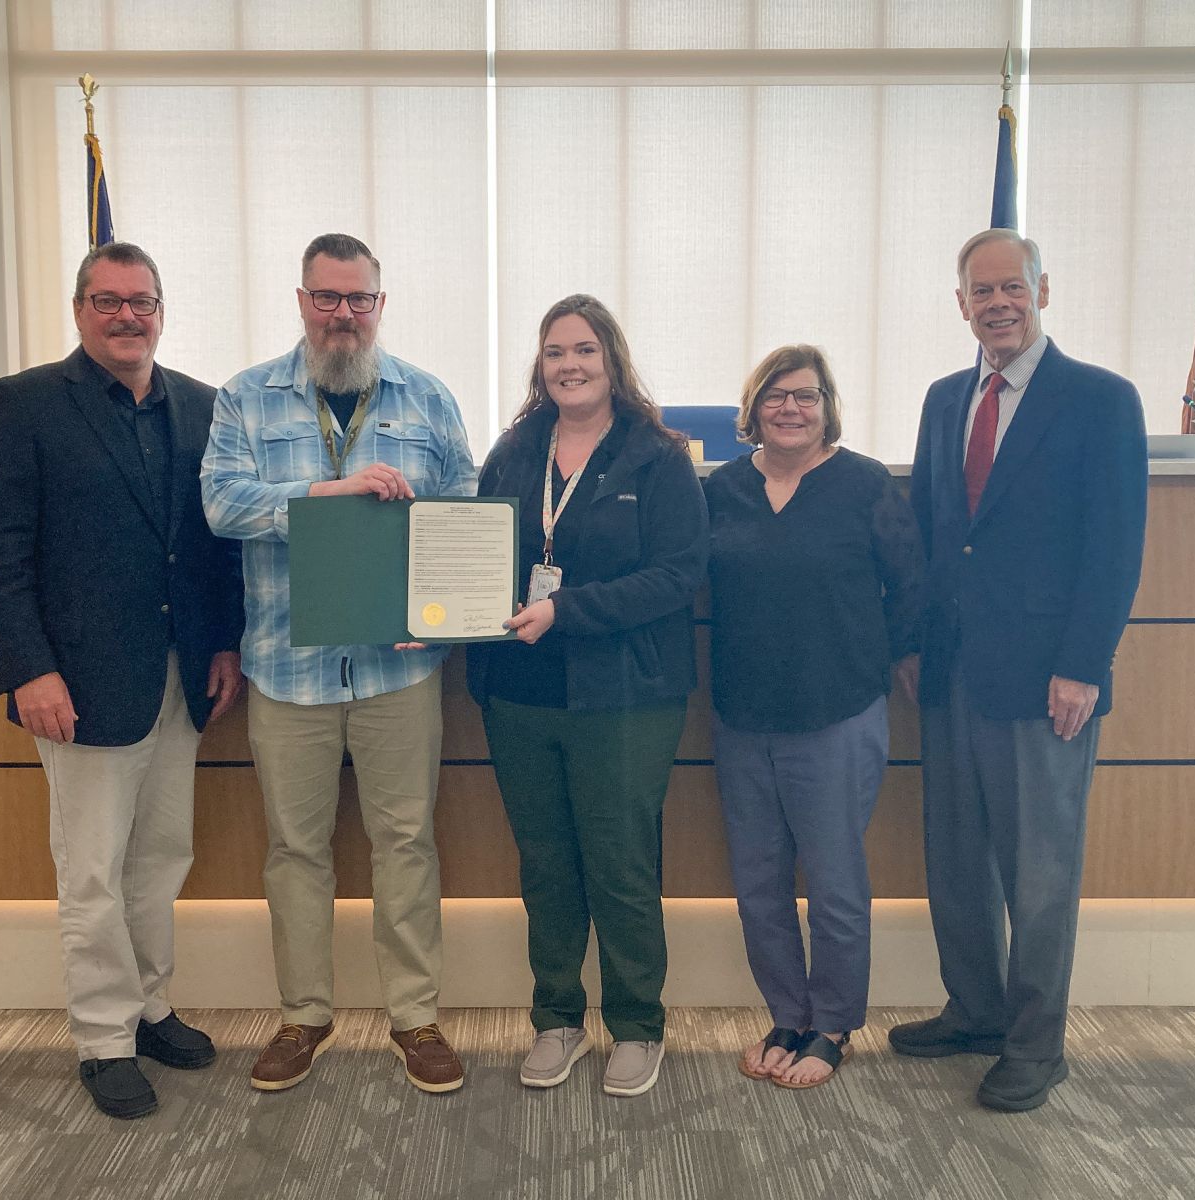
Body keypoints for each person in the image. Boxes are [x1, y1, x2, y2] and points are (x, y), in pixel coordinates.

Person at [0, 241, 245, 1120]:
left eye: (143, 301)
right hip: (76, 682)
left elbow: (210, 546)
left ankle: (150, 1005)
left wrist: (224, 642)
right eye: (108, 300)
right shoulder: (25, 405)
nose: (128, 316)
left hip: (181, 674)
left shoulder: (200, 405)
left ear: (162, 310)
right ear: (80, 309)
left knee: (161, 857)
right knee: (90, 867)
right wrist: (28, 667)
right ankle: (102, 1037)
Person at [201, 233, 477, 1094]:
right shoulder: (245, 398)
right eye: (327, 298)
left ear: (380, 305)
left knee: (406, 842)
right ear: (301, 301)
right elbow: (220, 502)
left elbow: (464, 514)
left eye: (358, 299)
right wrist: (326, 496)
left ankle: (415, 1017)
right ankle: (303, 1015)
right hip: (288, 669)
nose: (343, 315)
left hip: (400, 670)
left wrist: (439, 618)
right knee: (294, 849)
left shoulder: (427, 398)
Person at [891, 228, 1147, 1111]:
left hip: (1047, 682)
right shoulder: (941, 399)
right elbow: (930, 531)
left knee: (1038, 873)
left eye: (1012, 287)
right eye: (980, 291)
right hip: (953, 670)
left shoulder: (1099, 399)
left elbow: (1114, 548)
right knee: (957, 861)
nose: (998, 303)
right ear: (959, 304)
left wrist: (1082, 665)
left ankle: (1036, 1046)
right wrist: (914, 641)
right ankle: (974, 1009)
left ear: (1044, 290)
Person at [466, 294, 708, 1097]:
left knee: (619, 863)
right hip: (520, 692)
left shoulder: (657, 455)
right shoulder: (513, 450)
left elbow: (677, 576)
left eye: (584, 351)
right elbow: (480, 554)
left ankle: (637, 1024)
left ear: (611, 360)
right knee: (545, 864)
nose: (568, 366)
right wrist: (431, 617)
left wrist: (568, 610)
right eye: (554, 352)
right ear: (539, 366)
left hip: (624, 696)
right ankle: (557, 1019)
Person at [705, 345, 923, 1089]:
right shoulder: (723, 489)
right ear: (752, 407)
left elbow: (911, 586)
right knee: (758, 886)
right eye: (774, 396)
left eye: (804, 396)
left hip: (836, 714)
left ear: (827, 405)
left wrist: (887, 662)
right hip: (741, 716)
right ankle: (787, 1016)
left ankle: (832, 1024)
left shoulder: (862, 484)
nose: (789, 409)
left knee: (832, 884)